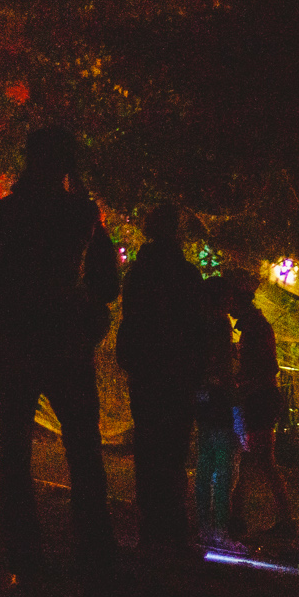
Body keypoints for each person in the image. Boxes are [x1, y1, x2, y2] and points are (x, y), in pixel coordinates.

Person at [0, 127, 121, 588]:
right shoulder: (79, 214)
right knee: (83, 447)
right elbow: (107, 285)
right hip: (65, 342)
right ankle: (94, 549)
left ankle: (23, 553)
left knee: (14, 452)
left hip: (17, 342)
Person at [115, 204, 206, 561]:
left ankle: (151, 527)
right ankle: (173, 528)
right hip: (177, 373)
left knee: (149, 449)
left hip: (147, 373)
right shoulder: (186, 275)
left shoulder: (138, 274)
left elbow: (132, 321)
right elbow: (196, 330)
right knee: (173, 451)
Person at [227, 270, 296, 542]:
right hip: (258, 399)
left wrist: (242, 378)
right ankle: (237, 516)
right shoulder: (254, 326)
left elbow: (266, 366)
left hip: (259, 400)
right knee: (249, 459)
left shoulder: (254, 328)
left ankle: (285, 518)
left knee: (263, 461)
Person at [193, 274, 239, 548]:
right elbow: (223, 366)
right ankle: (221, 527)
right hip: (220, 400)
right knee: (224, 466)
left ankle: (204, 526)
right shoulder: (221, 325)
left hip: (203, 399)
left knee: (204, 463)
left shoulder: (197, 325)